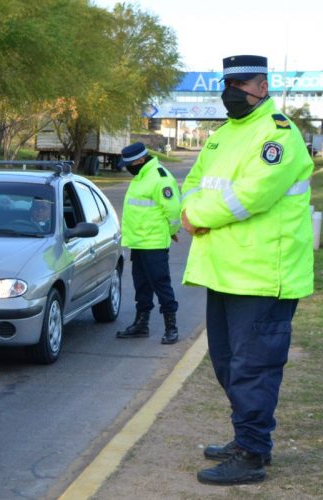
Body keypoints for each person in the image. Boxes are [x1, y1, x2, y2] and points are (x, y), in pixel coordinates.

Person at [180, 55, 314, 485]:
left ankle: (252, 454)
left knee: (253, 368)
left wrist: (199, 215)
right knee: (226, 364)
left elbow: (252, 195)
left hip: (262, 275)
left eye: (241, 84)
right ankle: (249, 438)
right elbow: (193, 184)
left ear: (262, 85)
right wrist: (191, 208)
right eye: (227, 83)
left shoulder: (279, 136)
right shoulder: (222, 136)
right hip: (223, 272)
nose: (231, 92)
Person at [114, 142, 182, 344]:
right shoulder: (141, 175)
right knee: (141, 286)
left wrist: (171, 231)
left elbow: (174, 211)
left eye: (129, 163)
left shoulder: (160, 177)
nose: (127, 167)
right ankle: (141, 324)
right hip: (138, 242)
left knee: (161, 285)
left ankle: (171, 327)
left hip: (154, 243)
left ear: (140, 160)